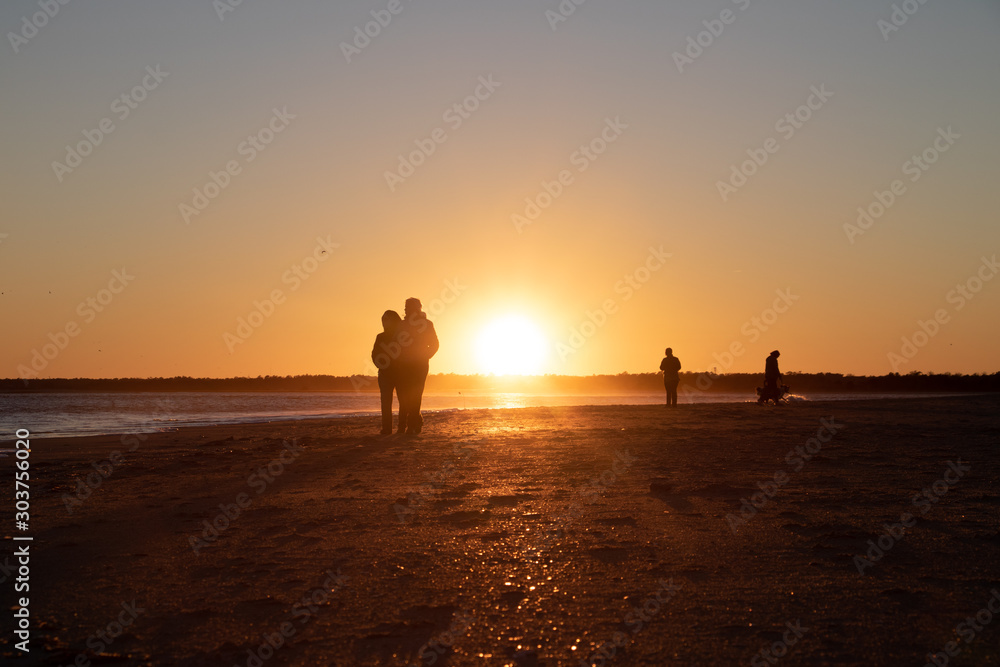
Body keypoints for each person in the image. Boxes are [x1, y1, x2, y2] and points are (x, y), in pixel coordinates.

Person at [395, 297, 439, 435]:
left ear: (418, 308)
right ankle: (413, 423)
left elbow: (435, 344)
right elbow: (395, 343)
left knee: (415, 395)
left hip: (420, 365)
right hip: (403, 365)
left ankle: (411, 426)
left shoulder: (427, 324)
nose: (407, 309)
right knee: (404, 396)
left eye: (410, 307)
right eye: (406, 307)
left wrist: (425, 356)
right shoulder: (401, 325)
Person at [371, 310, 403, 435]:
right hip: (385, 374)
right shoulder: (380, 337)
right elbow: (374, 354)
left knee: (403, 401)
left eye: (387, 319)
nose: (384, 322)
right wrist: (381, 365)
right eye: (383, 320)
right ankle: (387, 428)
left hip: (401, 374)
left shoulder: (402, 336)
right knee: (385, 402)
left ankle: (402, 427)